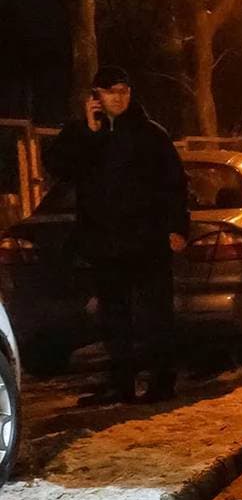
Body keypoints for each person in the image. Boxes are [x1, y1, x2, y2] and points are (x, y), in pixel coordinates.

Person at [46, 66, 189, 405]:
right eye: (111, 92)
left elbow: (174, 184)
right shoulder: (82, 134)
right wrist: (89, 133)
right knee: (114, 319)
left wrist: (177, 227)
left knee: (155, 316)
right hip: (106, 243)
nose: (119, 98)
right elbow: (59, 169)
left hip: (148, 241)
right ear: (96, 96)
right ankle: (121, 382)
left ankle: (161, 381)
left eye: (124, 91)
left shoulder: (151, 134)